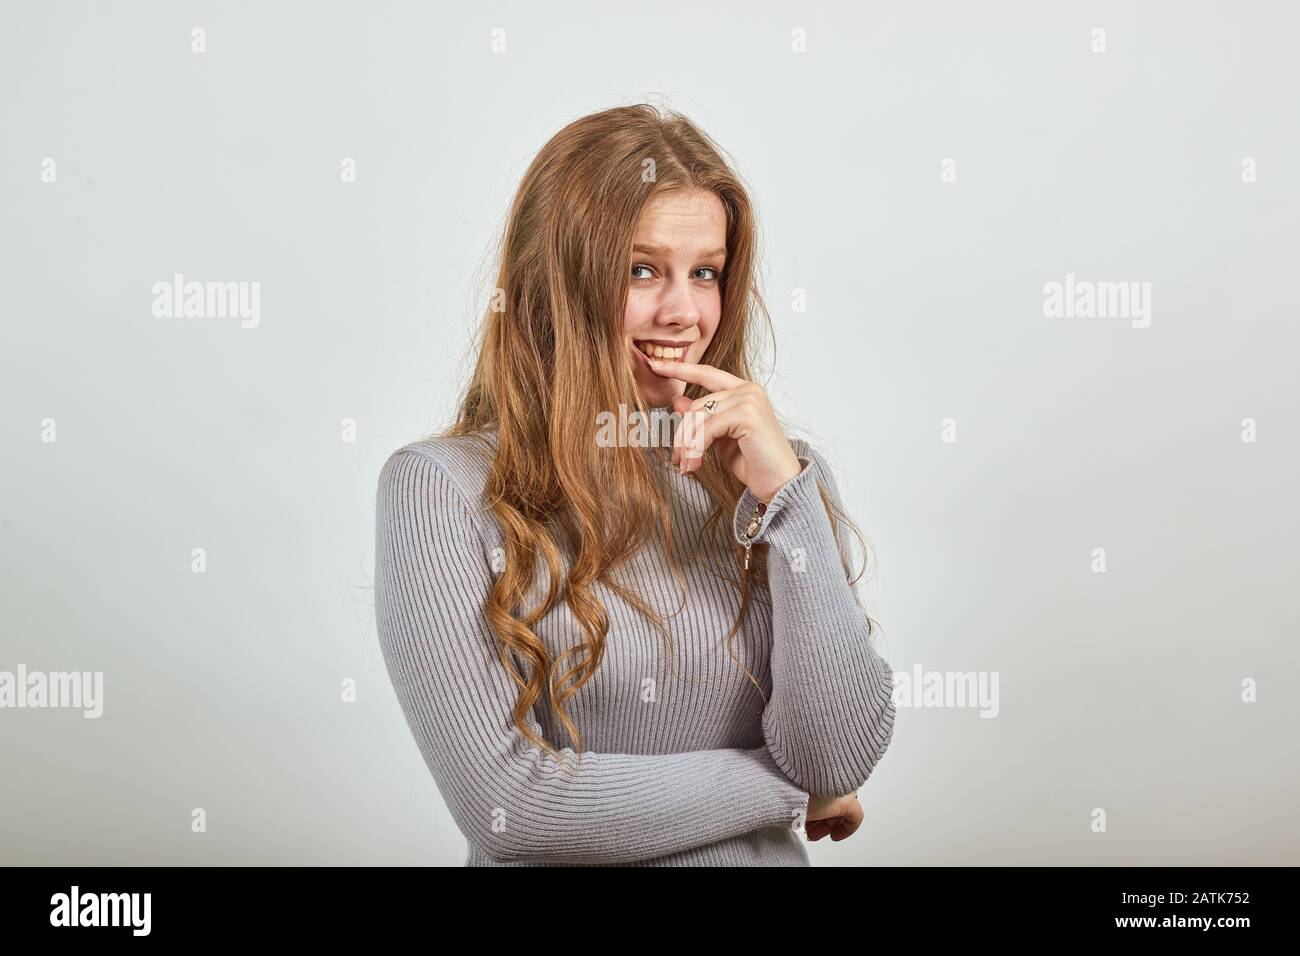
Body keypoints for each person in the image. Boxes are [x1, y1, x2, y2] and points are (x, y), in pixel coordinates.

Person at [374, 103, 895, 866]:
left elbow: (837, 761)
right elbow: (511, 808)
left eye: (706, 273)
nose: (684, 312)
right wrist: (784, 791)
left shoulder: (773, 477)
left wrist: (788, 497)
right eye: (641, 270)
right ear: (557, 281)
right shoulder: (442, 492)